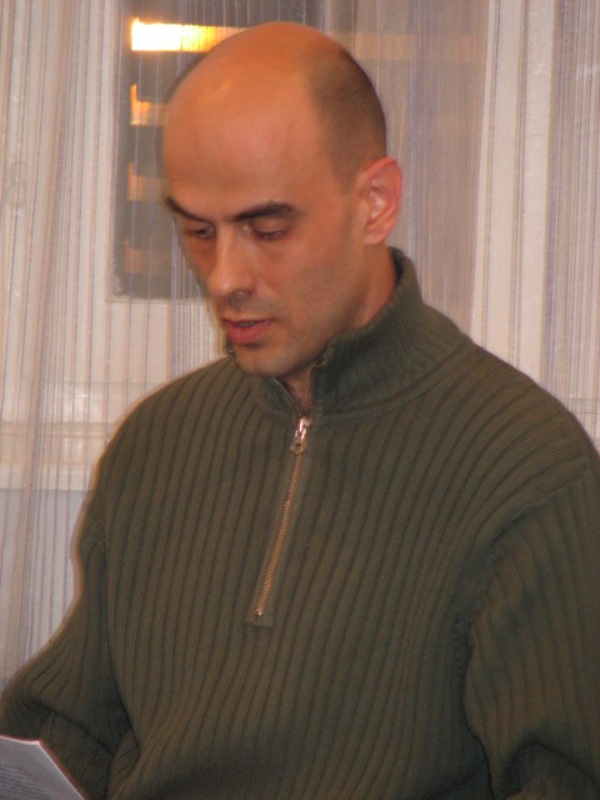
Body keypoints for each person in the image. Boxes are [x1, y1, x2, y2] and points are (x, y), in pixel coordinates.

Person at [1, 21, 599, 800]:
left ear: (375, 205)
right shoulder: (158, 441)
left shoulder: (529, 472)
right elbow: (66, 735)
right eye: (198, 231)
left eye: (267, 229)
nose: (224, 277)